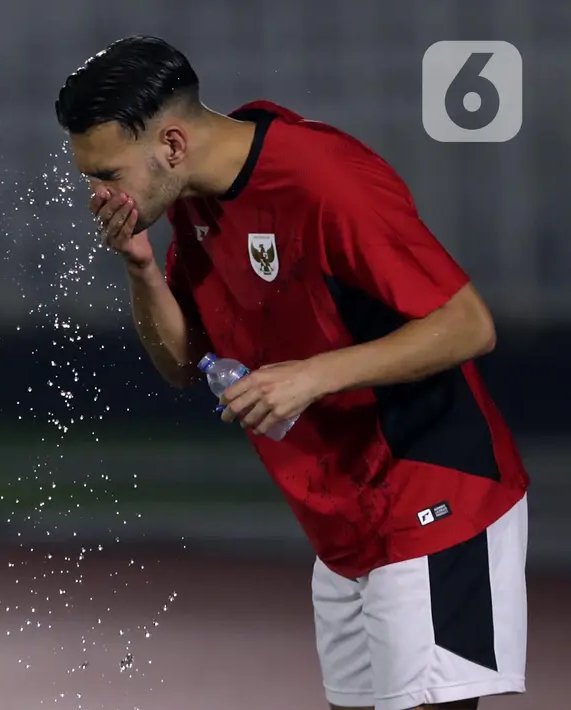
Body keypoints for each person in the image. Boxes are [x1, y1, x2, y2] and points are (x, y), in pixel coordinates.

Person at [54, 35, 529, 710]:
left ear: (171, 144)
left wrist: (309, 375)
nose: (100, 194)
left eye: (107, 174)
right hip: (342, 516)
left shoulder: (322, 180)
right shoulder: (191, 201)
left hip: (430, 489)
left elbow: (467, 325)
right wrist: (137, 265)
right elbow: (182, 365)